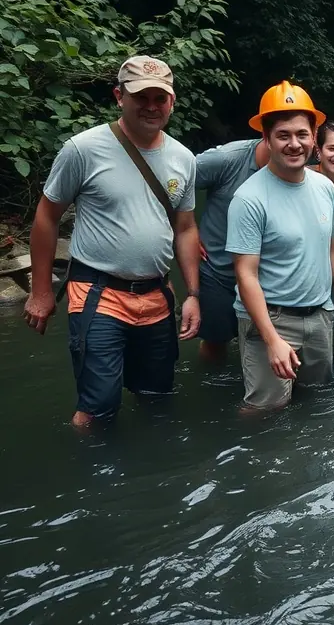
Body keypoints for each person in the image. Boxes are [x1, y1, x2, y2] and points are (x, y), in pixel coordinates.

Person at [23, 55, 201, 431]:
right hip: (97, 293)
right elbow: (46, 216)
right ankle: (87, 476)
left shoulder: (183, 158)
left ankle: (150, 471)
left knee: (158, 395)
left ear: (172, 101)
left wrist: (194, 295)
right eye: (142, 97)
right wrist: (40, 291)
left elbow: (185, 228)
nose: (151, 107)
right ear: (120, 96)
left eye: (160, 98)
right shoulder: (83, 149)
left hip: (156, 295)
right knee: (98, 407)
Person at [226, 81, 334, 410]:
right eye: (283, 135)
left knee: (315, 402)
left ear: (314, 136)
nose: (294, 144)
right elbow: (245, 275)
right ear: (266, 138)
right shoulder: (249, 198)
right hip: (271, 319)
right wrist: (272, 340)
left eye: (302, 134)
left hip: (320, 316)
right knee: (265, 409)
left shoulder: (324, 188)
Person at [194, 135, 269, 362]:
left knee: (266, 341)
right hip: (218, 268)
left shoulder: (296, 163)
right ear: (266, 131)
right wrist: (183, 229)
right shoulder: (224, 159)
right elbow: (168, 183)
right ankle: (210, 387)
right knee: (216, 341)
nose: (293, 142)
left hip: (266, 273)